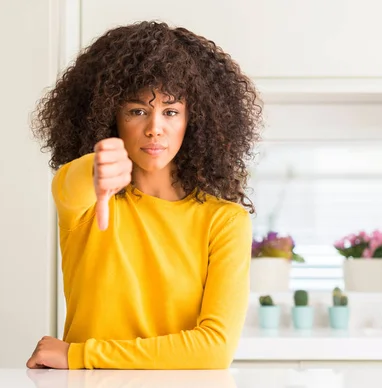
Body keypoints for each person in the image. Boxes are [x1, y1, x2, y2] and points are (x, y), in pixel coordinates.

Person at [26, 21, 262, 370]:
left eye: (171, 111)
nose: (154, 127)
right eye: (137, 111)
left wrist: (79, 355)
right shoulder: (88, 202)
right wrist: (97, 167)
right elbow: (73, 181)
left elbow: (213, 349)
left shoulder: (224, 221)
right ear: (110, 118)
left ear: (193, 121)